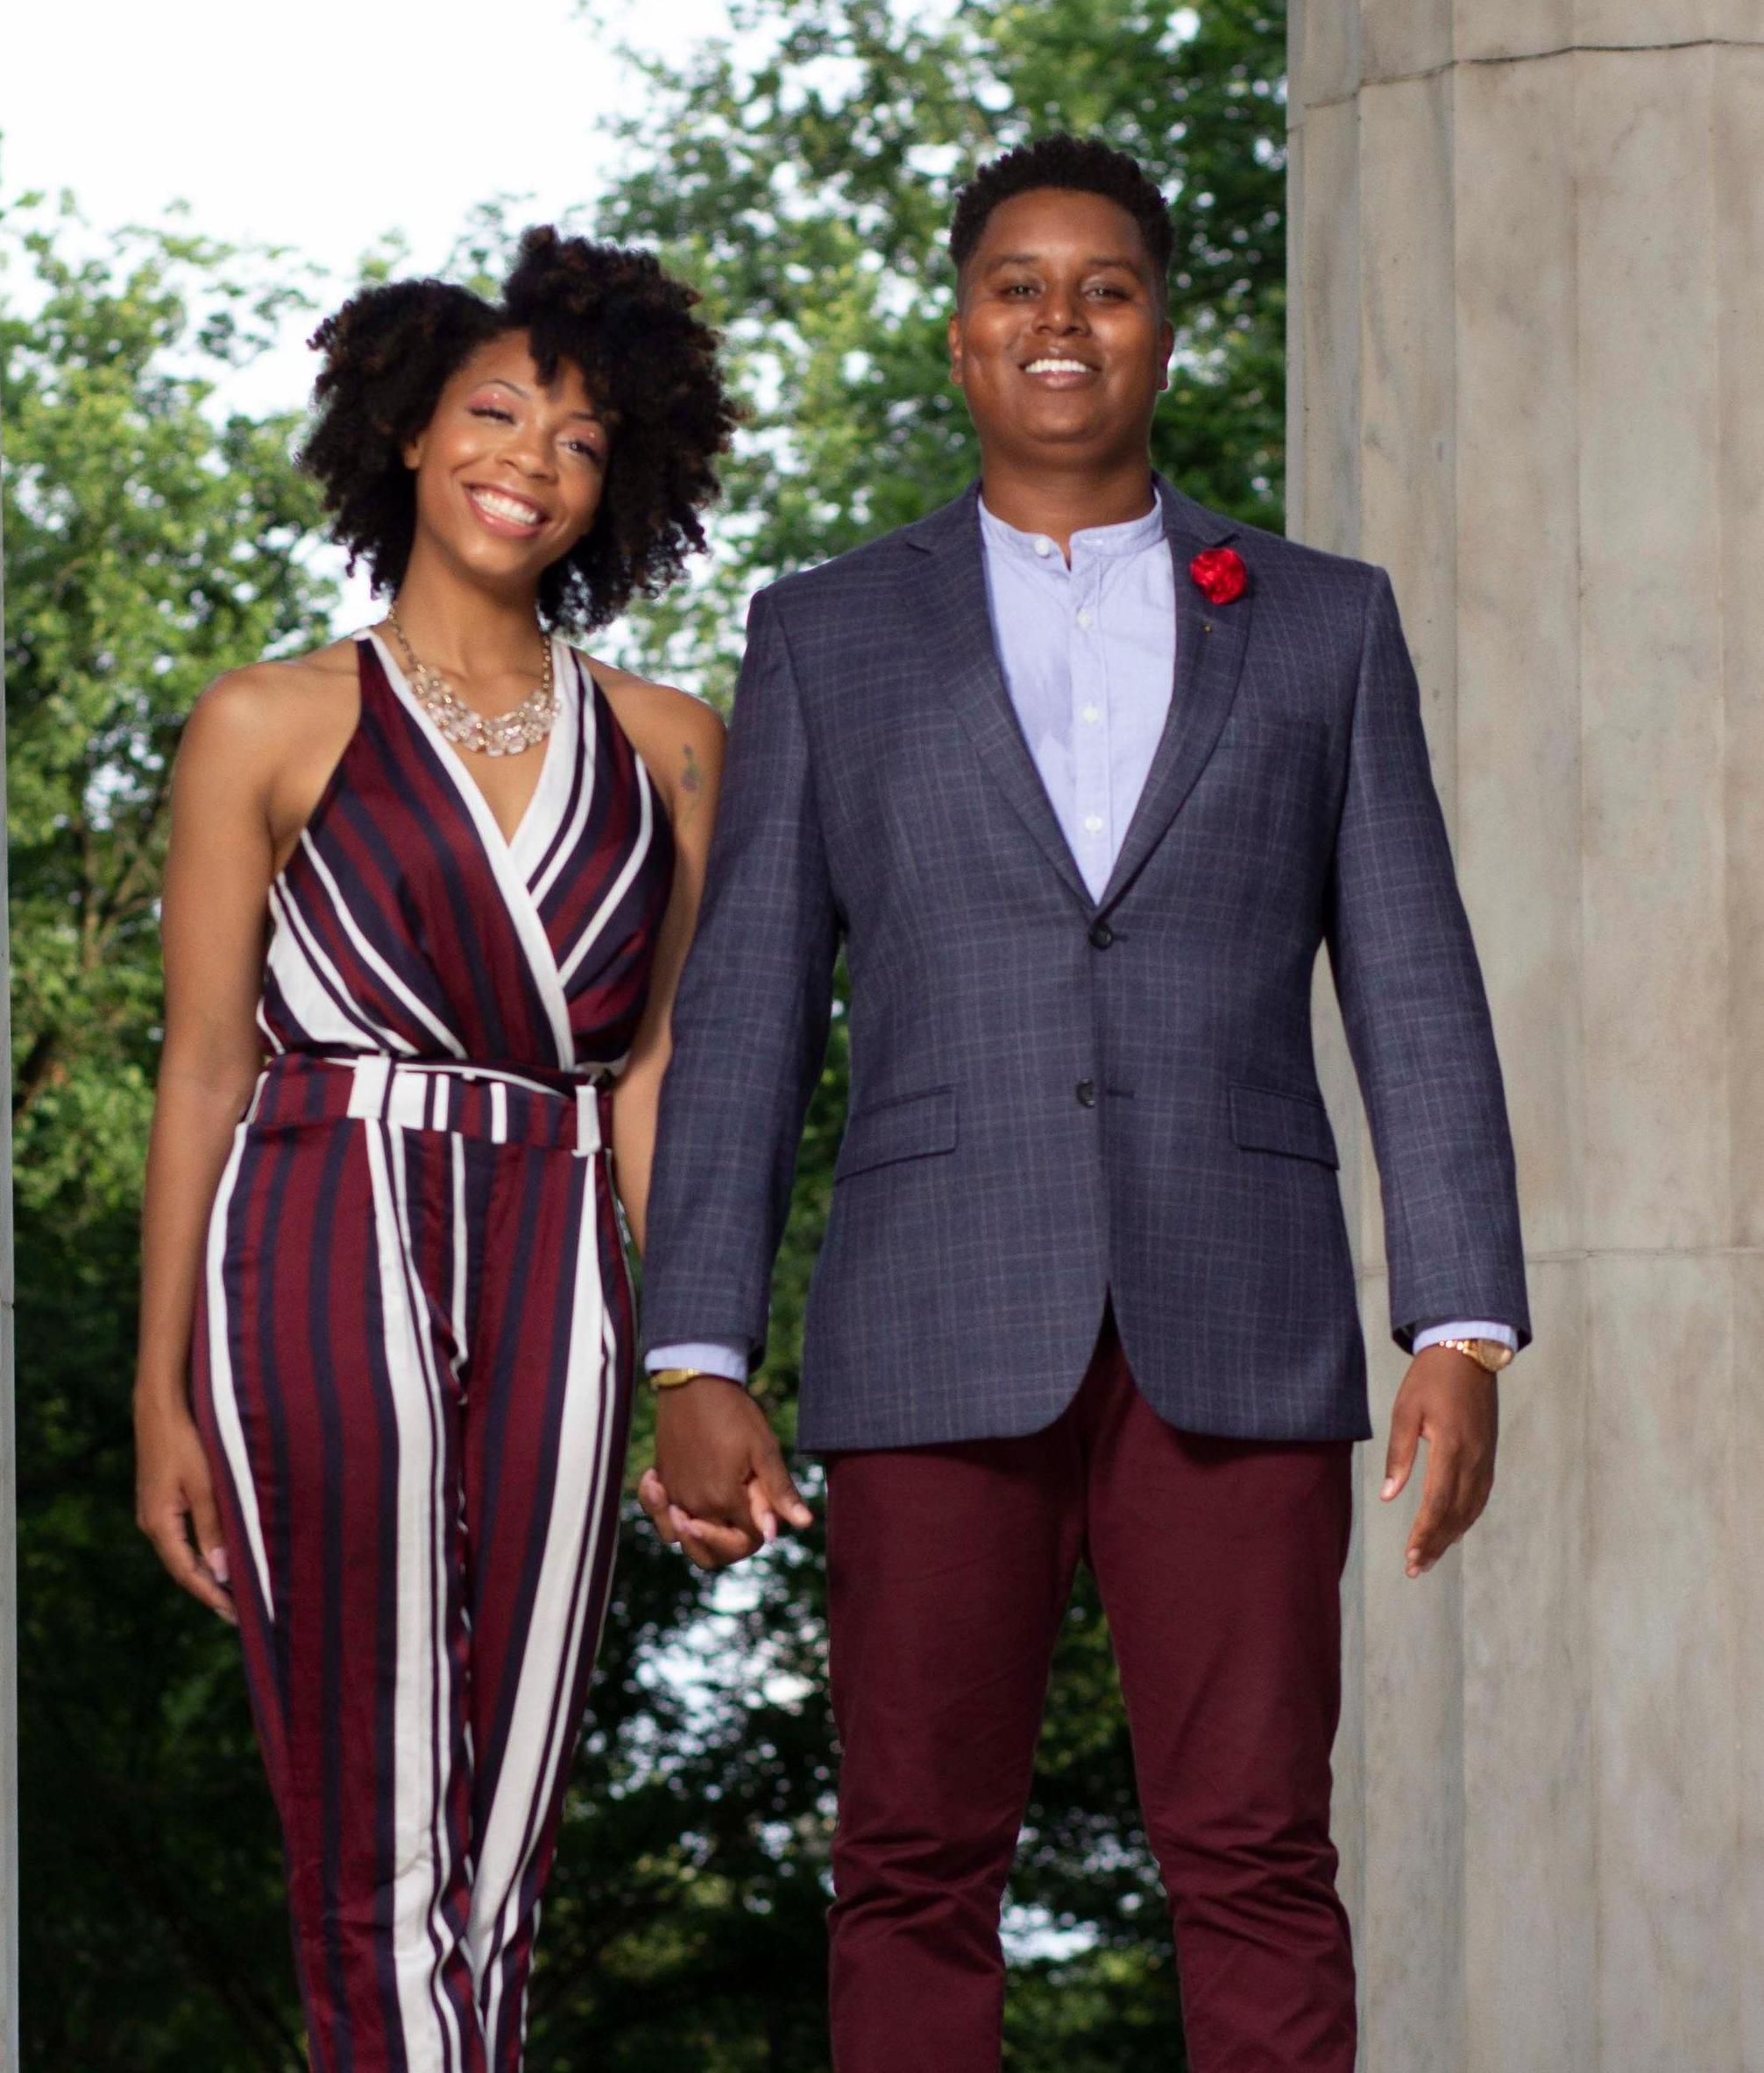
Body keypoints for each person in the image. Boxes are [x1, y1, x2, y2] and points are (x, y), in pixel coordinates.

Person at [637, 136, 1530, 2072]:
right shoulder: (824, 632)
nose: (1061, 318)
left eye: (1104, 285)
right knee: (908, 1857)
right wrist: (697, 1348)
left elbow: (1414, 979)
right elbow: (750, 1004)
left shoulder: (1322, 620)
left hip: (1243, 1308)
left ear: (1160, 331)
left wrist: (1458, 1322)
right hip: (930, 1308)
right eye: (1017, 286)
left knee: (1259, 1850)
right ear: (962, 336)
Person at [131, 227, 734, 2073]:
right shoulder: (268, 720)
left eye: (580, 438)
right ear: (406, 429)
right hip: (321, 1231)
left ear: (617, 483)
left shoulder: (673, 746)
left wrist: (696, 1365)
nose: (529, 461)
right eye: (494, 414)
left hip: (566, 1249)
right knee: (373, 1813)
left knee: (507, 1821)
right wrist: (160, 1391)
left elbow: (652, 1076)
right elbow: (203, 1065)